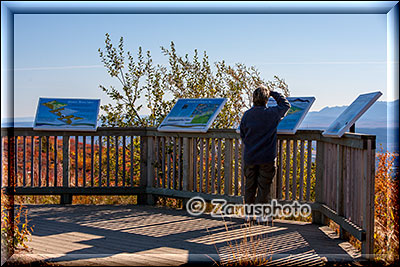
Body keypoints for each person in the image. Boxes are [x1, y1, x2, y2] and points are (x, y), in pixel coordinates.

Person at [239, 85, 290, 223]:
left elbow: (242, 134)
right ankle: (261, 216)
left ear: (253, 98)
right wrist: (273, 93)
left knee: (249, 186)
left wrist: (250, 145)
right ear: (266, 99)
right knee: (264, 186)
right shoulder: (272, 114)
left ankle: (248, 214)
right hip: (267, 157)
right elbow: (286, 105)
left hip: (250, 156)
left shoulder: (247, 115)